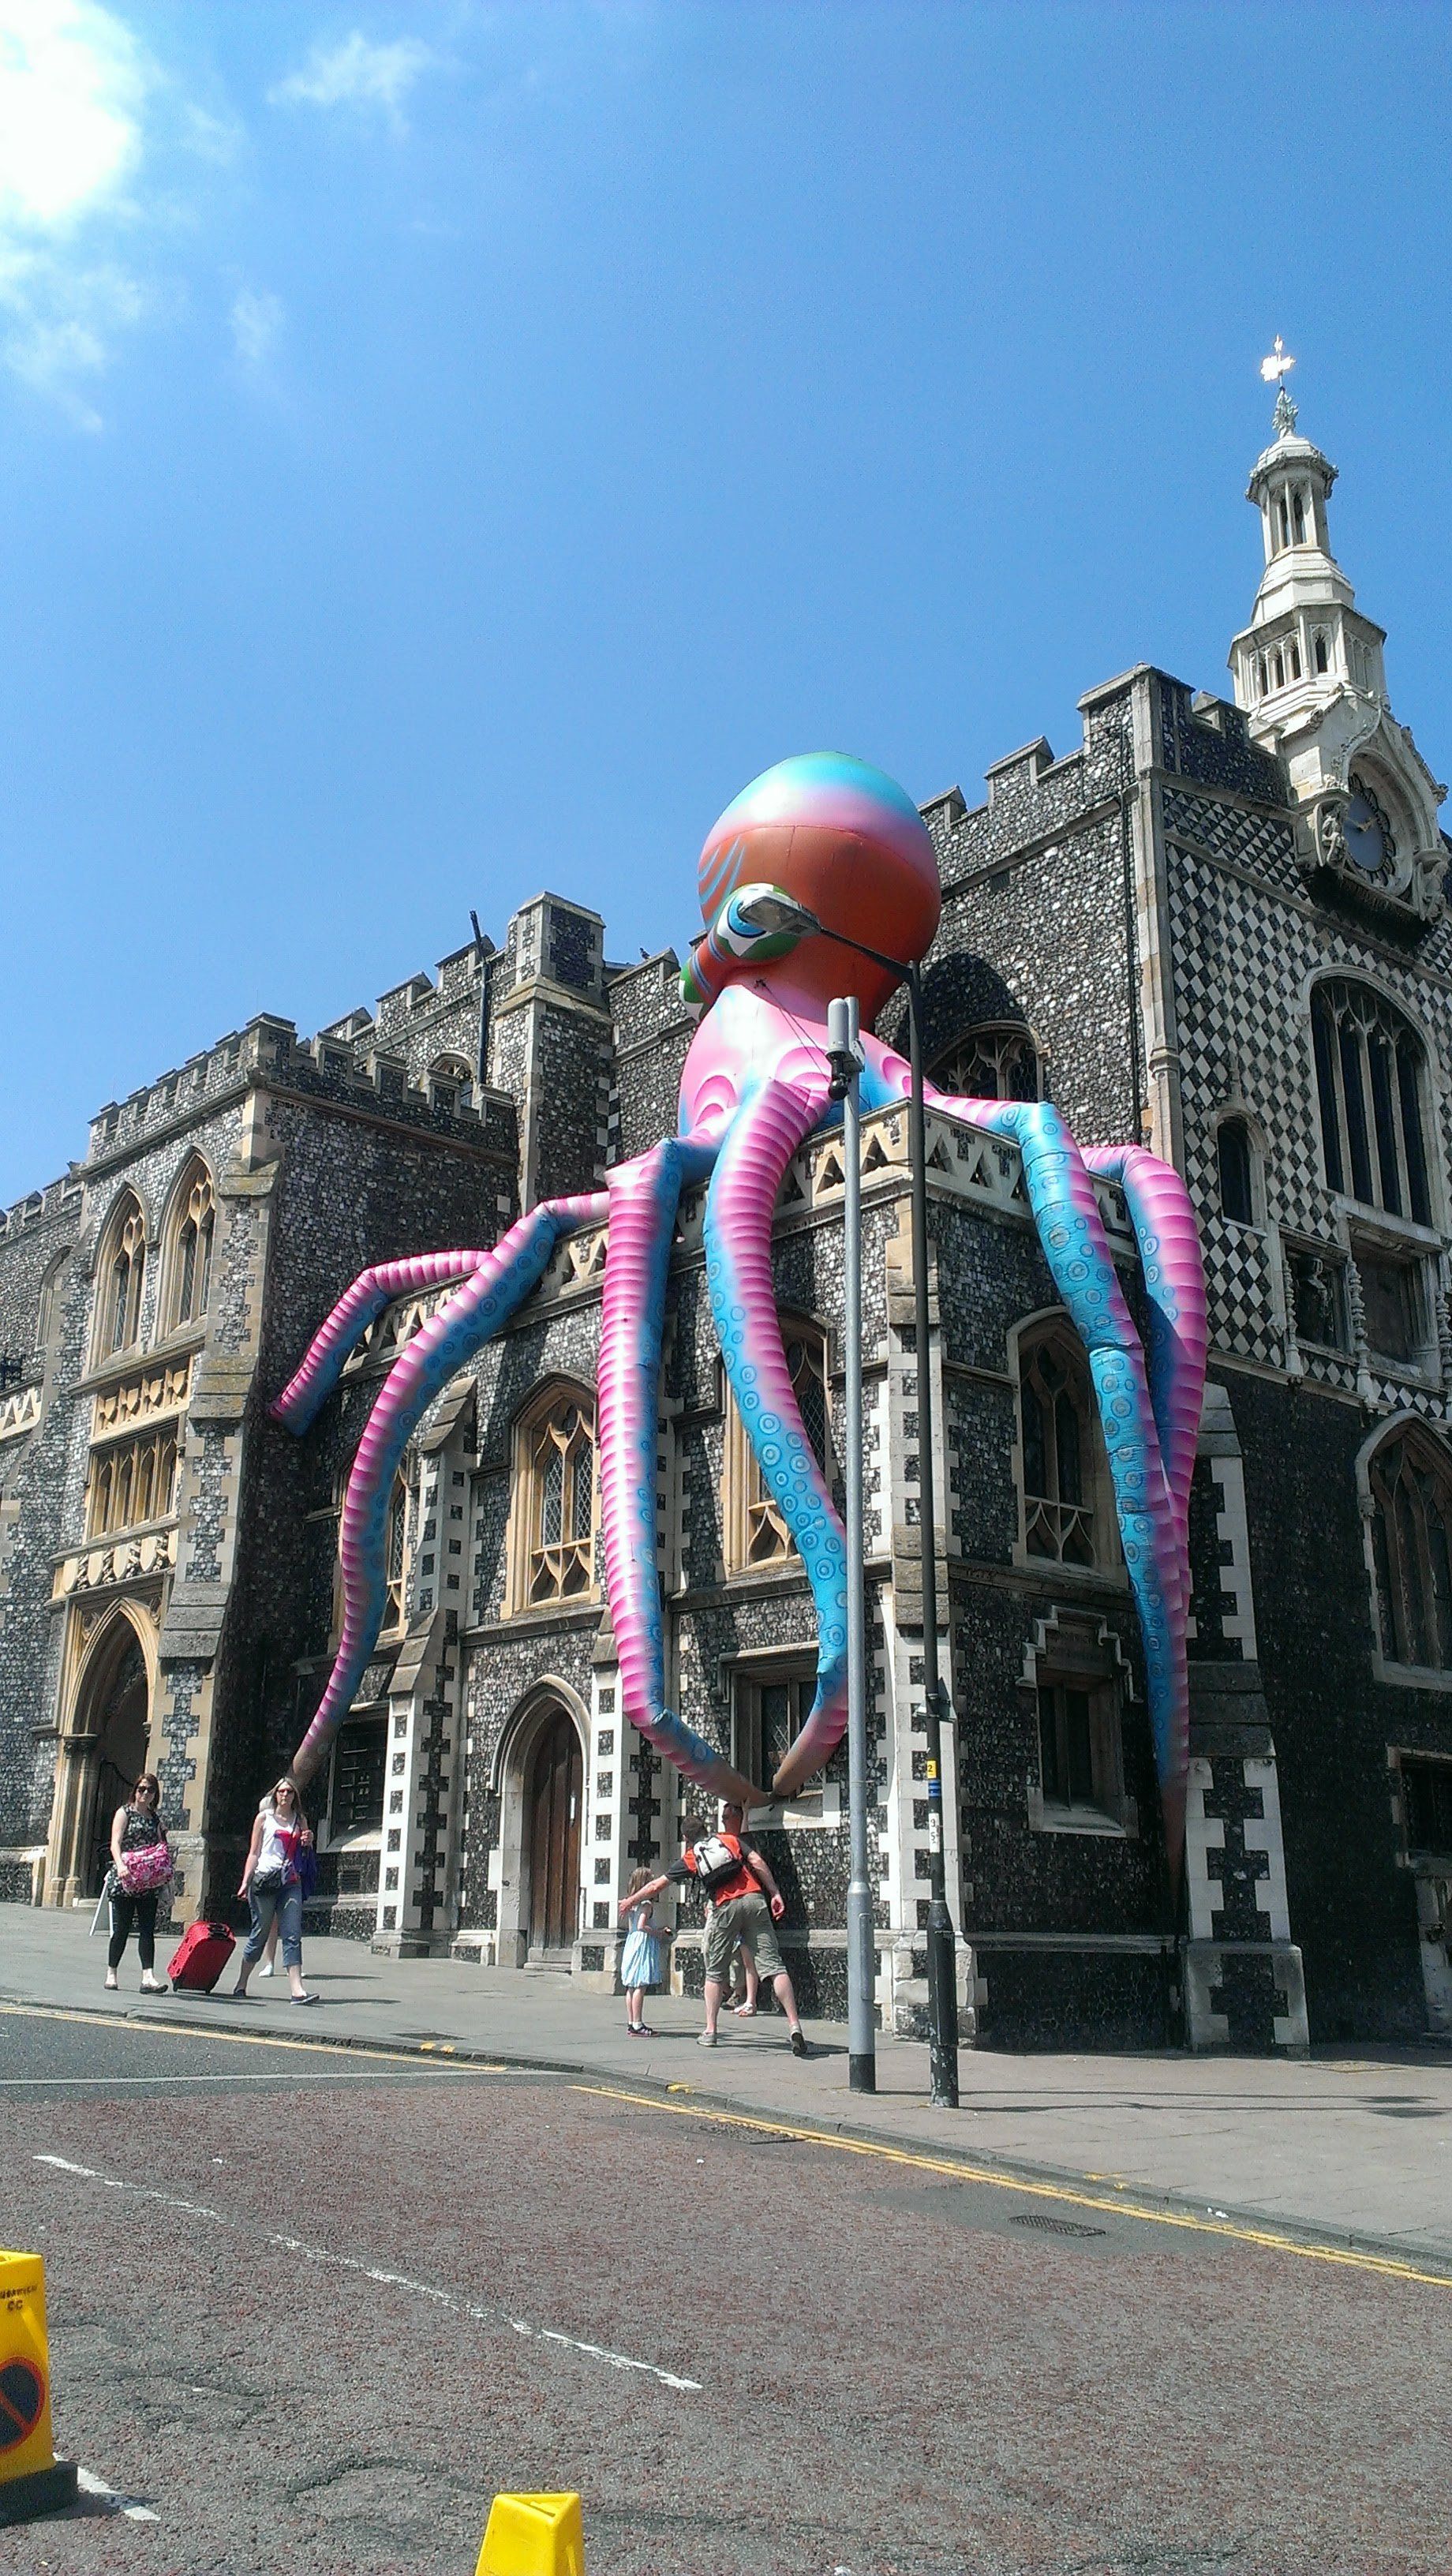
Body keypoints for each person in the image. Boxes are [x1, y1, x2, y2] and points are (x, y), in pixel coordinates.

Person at [631, 1802, 809, 2054]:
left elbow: (656, 1886)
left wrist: (630, 1901)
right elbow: (756, 1861)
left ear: (685, 1838)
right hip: (755, 1900)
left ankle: (711, 2030)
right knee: (775, 1967)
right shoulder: (729, 1840)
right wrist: (775, 1893)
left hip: (725, 1908)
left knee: (714, 1972)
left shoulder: (692, 1857)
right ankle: (795, 2026)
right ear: (707, 1828)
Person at [231, 1776, 317, 2003]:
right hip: (264, 1880)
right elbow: (254, 1852)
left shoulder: (300, 1820)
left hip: (291, 1882)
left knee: (292, 1934)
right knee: (259, 1934)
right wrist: (245, 1882)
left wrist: (308, 1841)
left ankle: (297, 1990)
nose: (285, 1795)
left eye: (290, 1792)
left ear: (294, 1796)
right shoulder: (264, 1819)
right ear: (275, 1794)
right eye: (282, 1791)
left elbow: (305, 1853)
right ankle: (241, 1983)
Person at [104, 1771, 170, 1993]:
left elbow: (161, 1848)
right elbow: (115, 1843)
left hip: (148, 1881)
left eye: (150, 1790)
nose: (145, 1793)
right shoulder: (124, 1813)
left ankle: (148, 1978)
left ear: (155, 1794)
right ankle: (112, 1973)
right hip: (125, 1878)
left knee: (147, 1930)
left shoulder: (155, 1819)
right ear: (135, 1790)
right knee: (121, 1929)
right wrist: (120, 1866)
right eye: (141, 1789)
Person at [616, 1864, 672, 2035]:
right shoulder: (646, 1904)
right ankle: (638, 2023)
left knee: (631, 1985)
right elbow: (642, 1926)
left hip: (632, 1942)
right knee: (640, 1983)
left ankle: (631, 2022)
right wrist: (659, 1933)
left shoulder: (631, 1903)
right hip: (642, 1943)